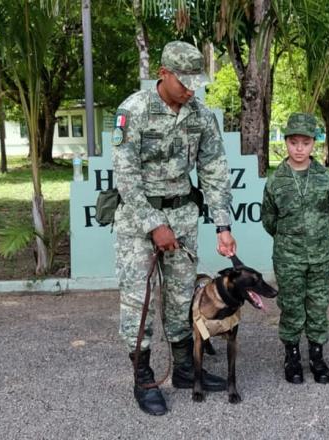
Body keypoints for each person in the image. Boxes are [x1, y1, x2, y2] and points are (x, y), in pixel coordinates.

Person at [111, 41, 236, 416]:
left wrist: (222, 225)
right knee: (140, 302)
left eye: (196, 81)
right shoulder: (133, 111)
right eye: (184, 80)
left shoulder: (200, 115)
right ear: (162, 74)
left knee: (183, 299)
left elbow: (214, 170)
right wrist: (154, 225)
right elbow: (126, 175)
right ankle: (144, 377)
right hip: (139, 223)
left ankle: (185, 369)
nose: (191, 89)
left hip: (182, 218)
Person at [262, 113, 329, 385]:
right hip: (288, 257)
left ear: (313, 144)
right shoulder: (276, 180)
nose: (299, 148)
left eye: (305, 142)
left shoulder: (324, 177)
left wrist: (314, 235)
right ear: (286, 143)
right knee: (292, 306)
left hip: (321, 256)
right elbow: (269, 219)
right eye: (293, 142)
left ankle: (317, 357)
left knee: (318, 306)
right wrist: (290, 239)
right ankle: (292, 357)